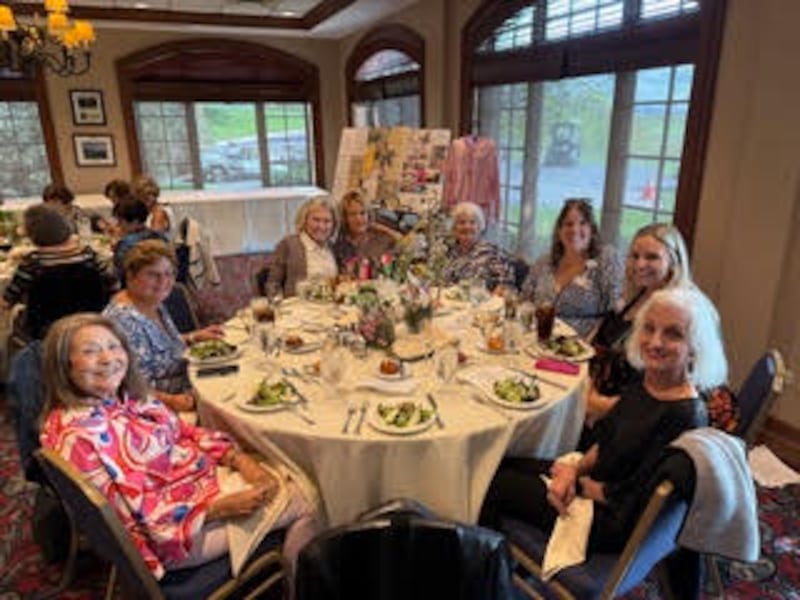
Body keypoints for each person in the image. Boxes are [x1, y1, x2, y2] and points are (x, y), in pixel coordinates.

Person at [39, 313, 318, 580]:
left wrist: (238, 459)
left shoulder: (124, 398)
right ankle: (294, 585)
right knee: (312, 497)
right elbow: (138, 525)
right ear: (64, 365)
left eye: (114, 346)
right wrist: (218, 509)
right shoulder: (80, 437)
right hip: (178, 538)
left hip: (193, 486)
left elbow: (183, 431)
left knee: (283, 465)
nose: (107, 358)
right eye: (90, 351)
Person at [480, 286, 726, 555]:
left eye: (673, 334)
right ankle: (495, 561)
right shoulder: (648, 382)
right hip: (595, 484)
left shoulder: (684, 415)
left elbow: (633, 500)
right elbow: (607, 439)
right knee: (495, 463)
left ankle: (486, 572)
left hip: (610, 521)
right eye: (649, 328)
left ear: (695, 349)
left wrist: (576, 483)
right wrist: (574, 470)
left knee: (493, 485)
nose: (655, 342)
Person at [588, 223, 697, 418]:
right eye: (635, 256)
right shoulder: (639, 295)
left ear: (673, 262)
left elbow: (659, 401)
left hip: (621, 418)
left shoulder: (678, 313)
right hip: (594, 396)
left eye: (652, 257)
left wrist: (593, 403)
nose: (639, 264)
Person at [104, 239, 221, 413]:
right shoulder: (123, 321)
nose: (163, 281)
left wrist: (192, 337)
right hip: (156, 411)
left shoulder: (150, 302)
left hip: (187, 386)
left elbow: (157, 346)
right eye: (152, 274)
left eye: (169, 274)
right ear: (130, 275)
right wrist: (172, 401)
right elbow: (121, 385)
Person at [1, 204, 117, 339]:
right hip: (91, 325)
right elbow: (114, 286)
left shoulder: (33, 264)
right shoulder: (89, 256)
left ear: (32, 233)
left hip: (45, 332)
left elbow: (7, 301)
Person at [521, 198, 622, 337]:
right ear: (559, 230)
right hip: (538, 339)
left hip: (581, 346)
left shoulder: (605, 259)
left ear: (592, 230)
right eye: (568, 224)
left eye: (583, 223)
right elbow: (524, 300)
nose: (575, 230)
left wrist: (592, 341)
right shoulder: (544, 262)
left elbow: (615, 312)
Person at [266, 196, 338, 297]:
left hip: (330, 309)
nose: (321, 226)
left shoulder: (332, 247)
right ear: (304, 220)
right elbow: (272, 284)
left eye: (327, 221)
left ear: (333, 224)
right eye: (316, 220)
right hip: (297, 309)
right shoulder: (289, 244)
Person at [441, 201, 513, 291]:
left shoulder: (493, 253)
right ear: (454, 228)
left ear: (479, 227)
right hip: (450, 302)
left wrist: (497, 294)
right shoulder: (450, 251)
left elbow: (506, 284)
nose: (467, 227)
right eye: (462, 223)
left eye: (472, 222)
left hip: (483, 303)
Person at [332, 190, 397, 278]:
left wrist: (383, 229)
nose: (358, 219)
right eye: (352, 214)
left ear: (368, 214)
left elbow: (406, 245)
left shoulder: (383, 240)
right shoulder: (338, 242)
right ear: (345, 217)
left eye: (362, 213)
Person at [112, 193, 168, 282]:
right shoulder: (160, 237)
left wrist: (117, 247)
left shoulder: (126, 244)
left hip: (136, 288)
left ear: (135, 221)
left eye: (120, 221)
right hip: (161, 285)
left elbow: (119, 274)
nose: (118, 225)